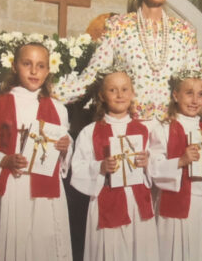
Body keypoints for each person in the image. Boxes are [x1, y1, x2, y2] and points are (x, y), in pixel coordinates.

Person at [52, 0, 202, 126]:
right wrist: (48, 94)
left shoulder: (184, 31)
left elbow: (196, 85)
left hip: (173, 130)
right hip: (130, 128)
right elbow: (93, 76)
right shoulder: (118, 26)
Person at [0, 42, 73, 261]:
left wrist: (64, 147)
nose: (34, 71)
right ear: (15, 67)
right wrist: (5, 159)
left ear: (47, 70)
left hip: (48, 189)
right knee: (16, 241)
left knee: (47, 241)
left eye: (41, 65)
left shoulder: (58, 108)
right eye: (27, 64)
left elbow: (64, 143)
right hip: (15, 186)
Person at [70, 65, 158, 261]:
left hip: (138, 204)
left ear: (133, 93)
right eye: (112, 90)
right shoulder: (90, 131)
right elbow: (78, 168)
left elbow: (156, 167)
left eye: (125, 89)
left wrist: (147, 164)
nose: (120, 95)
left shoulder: (145, 130)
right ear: (102, 95)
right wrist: (100, 167)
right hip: (106, 202)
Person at [149, 69, 202, 261]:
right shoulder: (162, 129)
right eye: (189, 93)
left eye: (200, 94)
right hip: (175, 206)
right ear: (175, 95)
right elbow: (153, 168)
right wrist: (181, 161)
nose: (195, 100)